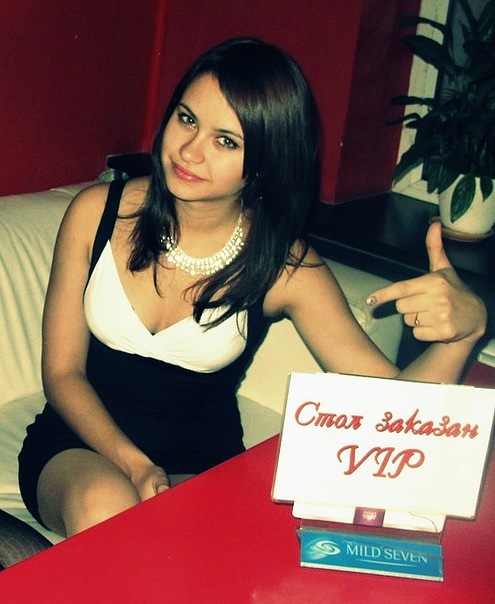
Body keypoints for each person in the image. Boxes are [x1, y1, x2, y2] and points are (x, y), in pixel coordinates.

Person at [18, 37, 486, 538]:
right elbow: (63, 373)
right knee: (106, 506)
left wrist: (464, 334)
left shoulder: (282, 264)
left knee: (166, 544)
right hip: (79, 448)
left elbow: (397, 405)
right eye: (187, 118)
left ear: (264, 163)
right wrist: (135, 466)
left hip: (199, 465)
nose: (190, 150)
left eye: (226, 141)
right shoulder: (96, 213)